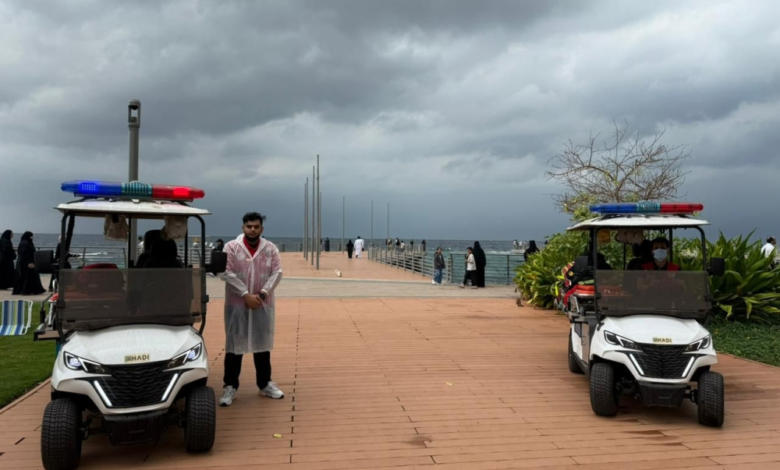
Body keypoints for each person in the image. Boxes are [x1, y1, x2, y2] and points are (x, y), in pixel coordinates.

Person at [219, 212, 284, 407]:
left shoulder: (270, 249)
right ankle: (230, 386)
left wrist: (262, 294)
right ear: (243, 228)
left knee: (262, 344)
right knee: (234, 345)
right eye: (249, 226)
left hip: (263, 304)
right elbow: (226, 272)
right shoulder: (231, 247)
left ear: (261, 229)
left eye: (256, 226)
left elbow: (277, 273)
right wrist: (245, 294)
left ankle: (264, 383)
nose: (252, 230)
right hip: (237, 304)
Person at [13, 231, 45, 295]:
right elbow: (25, 254)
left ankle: (27, 290)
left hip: (24, 262)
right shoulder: (25, 243)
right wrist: (29, 262)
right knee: (27, 277)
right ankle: (27, 290)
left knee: (28, 277)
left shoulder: (25, 243)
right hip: (26, 263)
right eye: (31, 236)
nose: (32, 237)